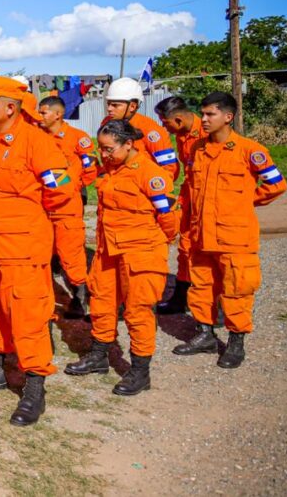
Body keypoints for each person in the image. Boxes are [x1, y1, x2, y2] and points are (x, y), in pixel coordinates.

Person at [0, 76, 75, 427]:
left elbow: (62, 192)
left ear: (9, 107)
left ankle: (34, 386)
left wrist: (39, 234)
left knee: (27, 319)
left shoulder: (37, 143)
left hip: (21, 251)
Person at [173, 92, 287, 368]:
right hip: (202, 235)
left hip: (234, 236)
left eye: (210, 114)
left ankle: (236, 342)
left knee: (237, 289)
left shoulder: (249, 150)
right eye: (202, 113)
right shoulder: (197, 149)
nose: (203, 119)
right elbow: (190, 187)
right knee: (201, 287)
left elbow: (276, 184)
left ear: (228, 117)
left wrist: (244, 201)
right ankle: (205, 334)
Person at [65, 120, 177, 395]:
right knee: (101, 304)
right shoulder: (110, 171)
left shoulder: (150, 175)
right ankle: (99, 355)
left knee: (138, 311)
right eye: (101, 149)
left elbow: (169, 220)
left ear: (128, 144)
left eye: (109, 149)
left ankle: (140, 371)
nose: (104, 155)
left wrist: (152, 246)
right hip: (109, 251)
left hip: (140, 253)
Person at [37, 95, 97, 317]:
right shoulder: (37, 136)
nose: (39, 116)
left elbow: (90, 170)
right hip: (42, 204)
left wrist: (73, 187)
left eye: (43, 112)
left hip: (67, 204)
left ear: (58, 114)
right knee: (43, 252)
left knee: (71, 252)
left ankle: (80, 296)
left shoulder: (78, 138)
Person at [153, 96, 204, 314]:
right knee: (185, 246)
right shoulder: (182, 135)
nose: (164, 128)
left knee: (207, 252)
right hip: (190, 196)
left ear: (179, 120)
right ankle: (180, 298)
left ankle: (217, 303)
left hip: (208, 201)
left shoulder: (207, 134)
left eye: (166, 123)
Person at [102, 77, 178, 180]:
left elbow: (169, 169)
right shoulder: (106, 123)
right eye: (108, 104)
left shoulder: (150, 130)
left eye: (115, 105)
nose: (109, 109)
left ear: (132, 107)